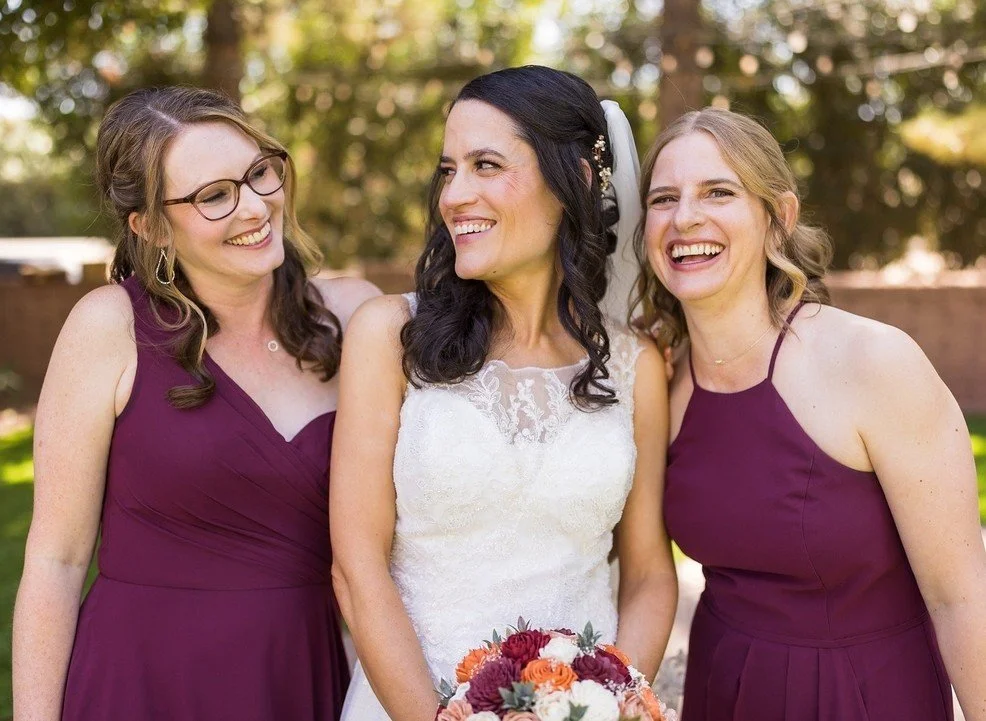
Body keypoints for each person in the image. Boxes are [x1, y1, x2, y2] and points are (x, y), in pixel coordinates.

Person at [11, 86, 378, 721]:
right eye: (214, 195)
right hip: (141, 679)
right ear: (150, 225)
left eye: (259, 173)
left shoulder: (353, 319)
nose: (257, 206)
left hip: (297, 673)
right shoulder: (109, 327)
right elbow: (55, 559)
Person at [329, 65, 678, 721]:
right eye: (448, 169)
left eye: (486, 164)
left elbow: (651, 576)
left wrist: (606, 703)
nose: (455, 194)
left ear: (572, 180)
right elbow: (356, 568)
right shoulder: (389, 336)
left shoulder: (635, 364)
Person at [635, 107, 986, 721]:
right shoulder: (663, 383)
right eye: (664, 198)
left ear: (779, 220)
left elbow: (962, 598)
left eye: (719, 191)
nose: (685, 217)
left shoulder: (874, 362)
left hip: (864, 696)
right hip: (721, 691)